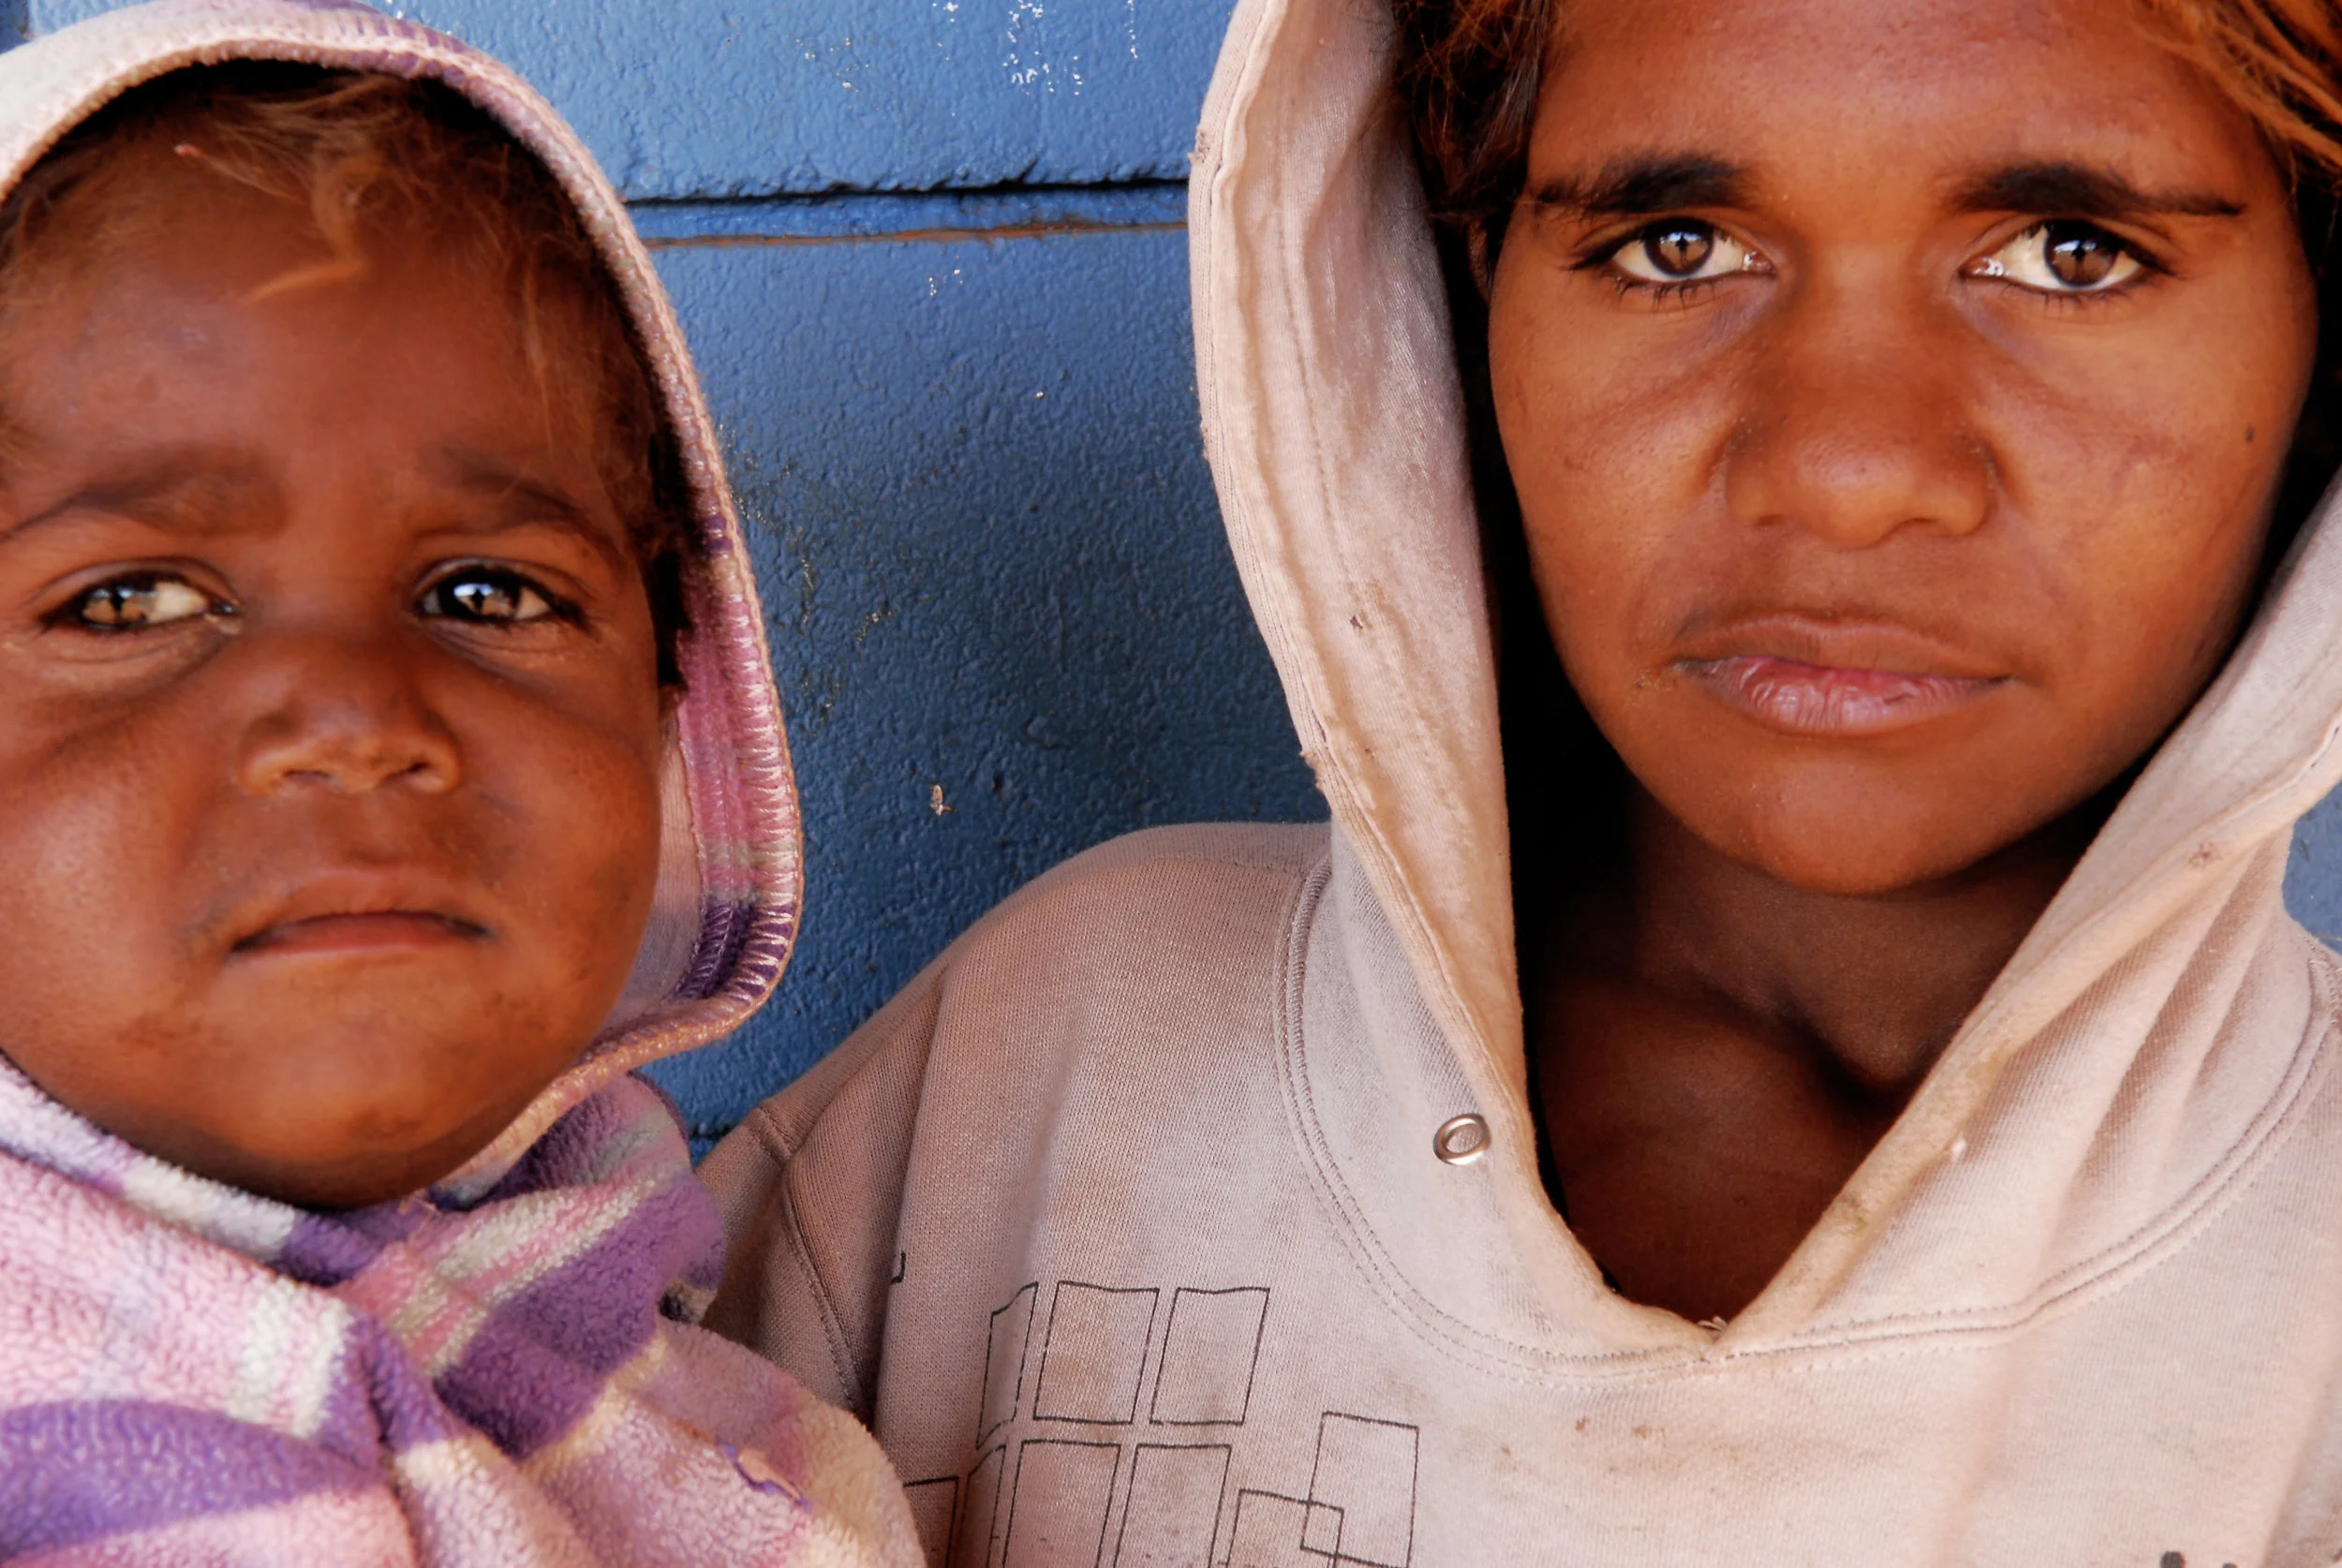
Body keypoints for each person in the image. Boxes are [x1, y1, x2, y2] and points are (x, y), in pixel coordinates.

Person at [701, 0, 2342, 1557]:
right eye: (1676, 246)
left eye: (2073, 255)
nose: (1844, 471)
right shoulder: (1061, 1078)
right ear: (1469, 288)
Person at [0, 2, 921, 1561]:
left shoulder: (729, 1424)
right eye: (129, 602)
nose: (356, 721)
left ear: (668, 704)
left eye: (487, 595)